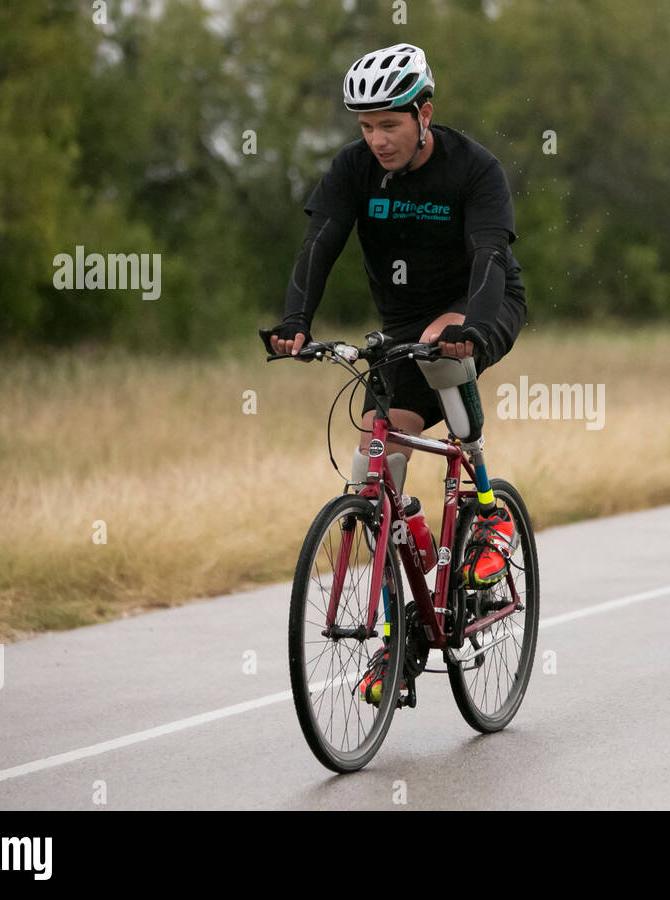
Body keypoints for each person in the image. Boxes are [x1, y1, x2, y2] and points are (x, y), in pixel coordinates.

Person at [261, 44, 526, 702]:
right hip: (401, 325)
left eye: (390, 125)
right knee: (376, 461)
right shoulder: (355, 170)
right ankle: (401, 635)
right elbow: (320, 241)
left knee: (439, 348)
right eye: (365, 126)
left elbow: (491, 254)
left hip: (479, 306)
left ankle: (487, 506)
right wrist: (296, 320)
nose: (376, 140)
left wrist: (465, 325)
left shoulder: (473, 169)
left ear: (424, 114)